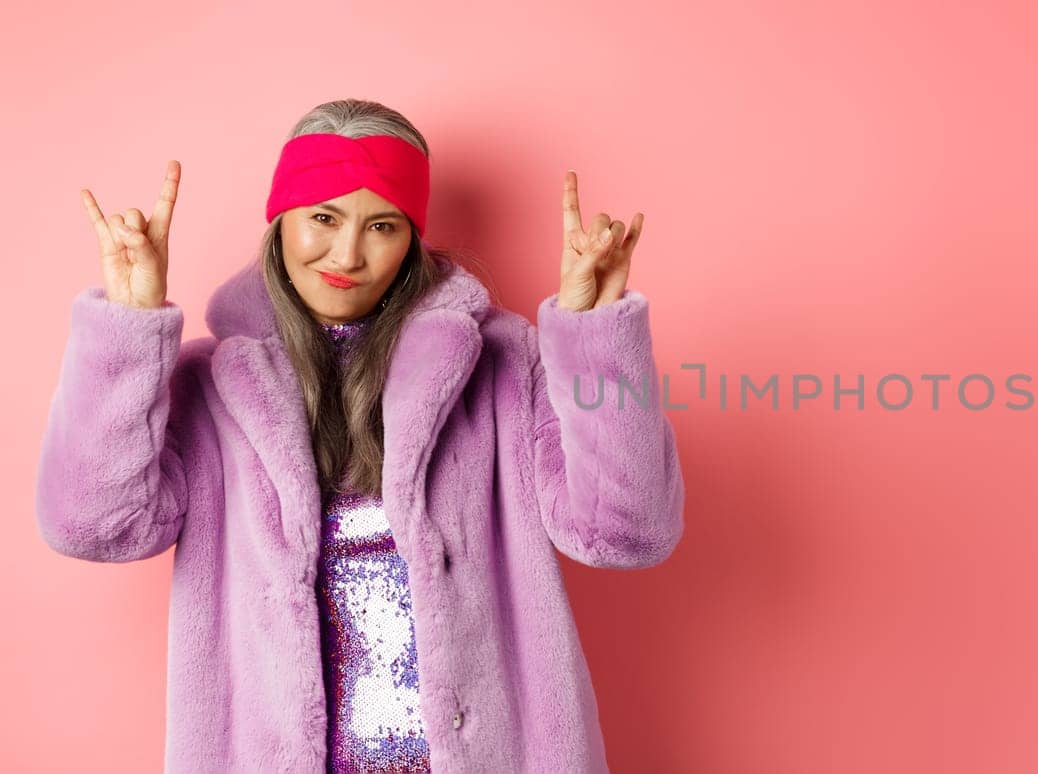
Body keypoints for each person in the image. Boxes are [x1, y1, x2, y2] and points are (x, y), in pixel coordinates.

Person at [34, 98, 686, 773]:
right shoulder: (212, 385)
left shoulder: (503, 366)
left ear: (411, 240)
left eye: (382, 225)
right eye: (323, 217)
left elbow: (626, 532)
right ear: (280, 219)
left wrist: (594, 335)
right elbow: (94, 525)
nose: (347, 253)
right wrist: (129, 328)